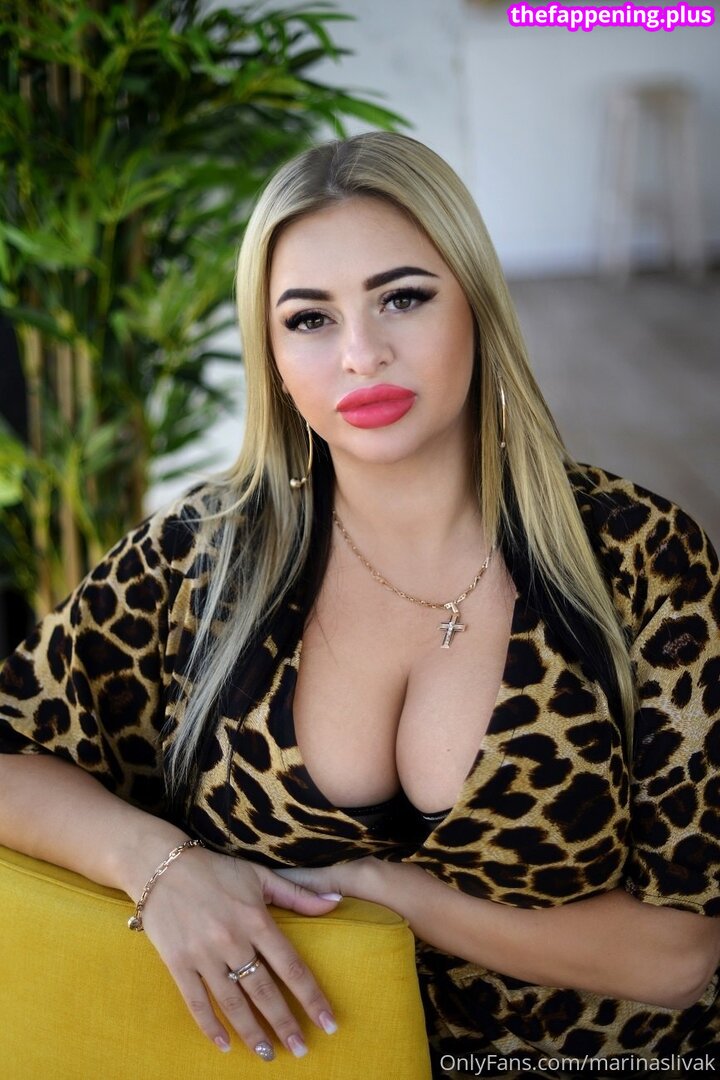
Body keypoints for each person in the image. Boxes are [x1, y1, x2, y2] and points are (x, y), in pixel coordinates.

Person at [0, 132, 718, 1078]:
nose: (361, 355)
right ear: (272, 355)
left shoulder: (641, 555)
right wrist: (160, 865)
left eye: (403, 298)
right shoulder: (200, 556)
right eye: (309, 318)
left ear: (477, 305)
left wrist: (394, 896)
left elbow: (680, 956)